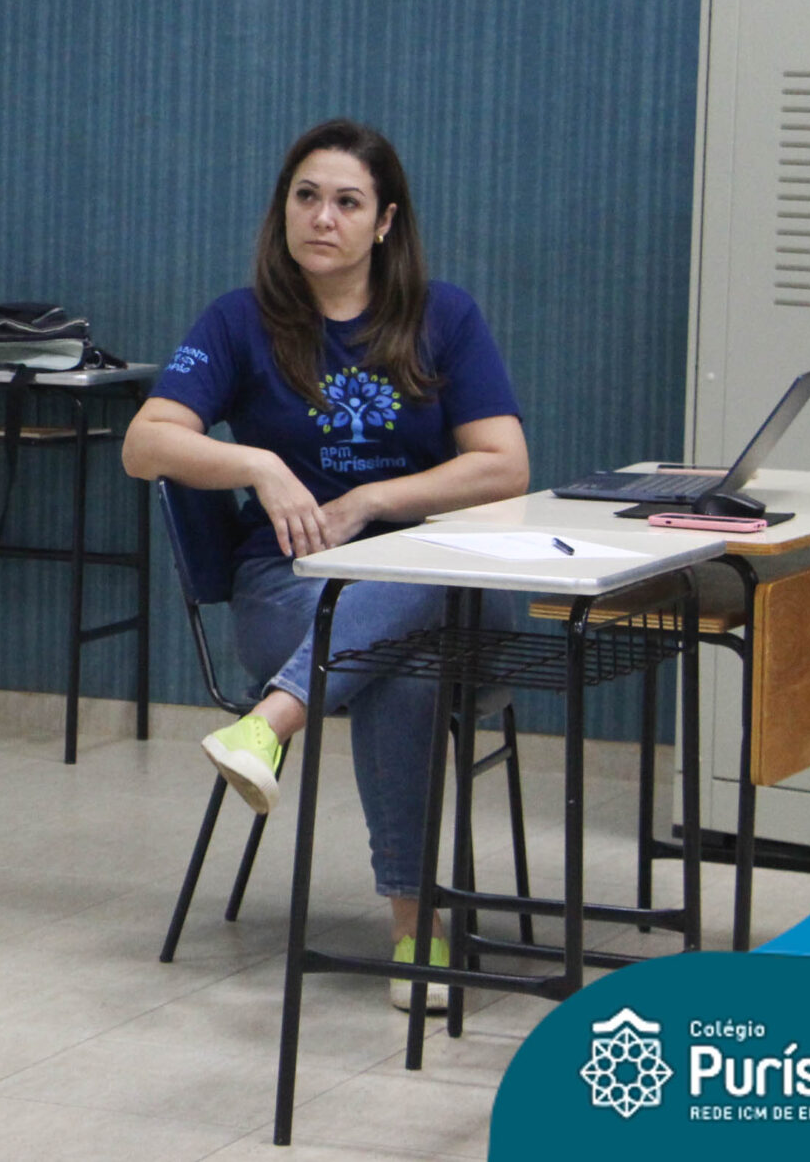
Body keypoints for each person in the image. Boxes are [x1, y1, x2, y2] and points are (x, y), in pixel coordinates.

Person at [121, 118, 526, 1009]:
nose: (323, 217)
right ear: (284, 209)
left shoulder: (445, 316)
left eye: (347, 201)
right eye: (306, 196)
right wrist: (260, 465)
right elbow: (143, 443)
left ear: (385, 222)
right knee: (404, 667)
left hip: (446, 584)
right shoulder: (239, 321)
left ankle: (271, 720)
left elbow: (505, 465)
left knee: (418, 591)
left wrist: (374, 500)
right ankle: (417, 930)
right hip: (291, 588)